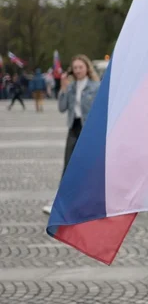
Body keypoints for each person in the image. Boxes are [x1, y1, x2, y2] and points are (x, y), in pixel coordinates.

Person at [43, 54, 101, 214]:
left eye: (80, 67)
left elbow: (101, 109)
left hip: (88, 131)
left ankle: (92, 200)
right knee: (68, 165)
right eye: (75, 68)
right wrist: (62, 88)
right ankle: (61, 202)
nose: (77, 71)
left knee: (89, 166)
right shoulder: (70, 87)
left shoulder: (95, 87)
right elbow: (62, 108)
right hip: (73, 128)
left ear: (86, 68)